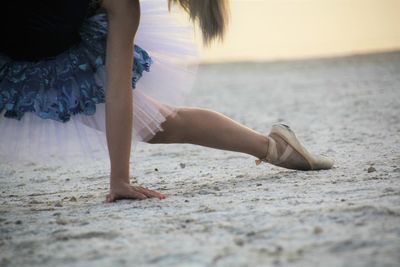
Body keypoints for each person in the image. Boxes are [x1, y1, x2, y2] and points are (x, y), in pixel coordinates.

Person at [0, 0, 334, 203]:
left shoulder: (124, 5)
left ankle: (273, 147)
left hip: (49, 49)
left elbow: (118, 91)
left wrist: (120, 179)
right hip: (23, 43)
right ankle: (273, 145)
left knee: (155, 125)